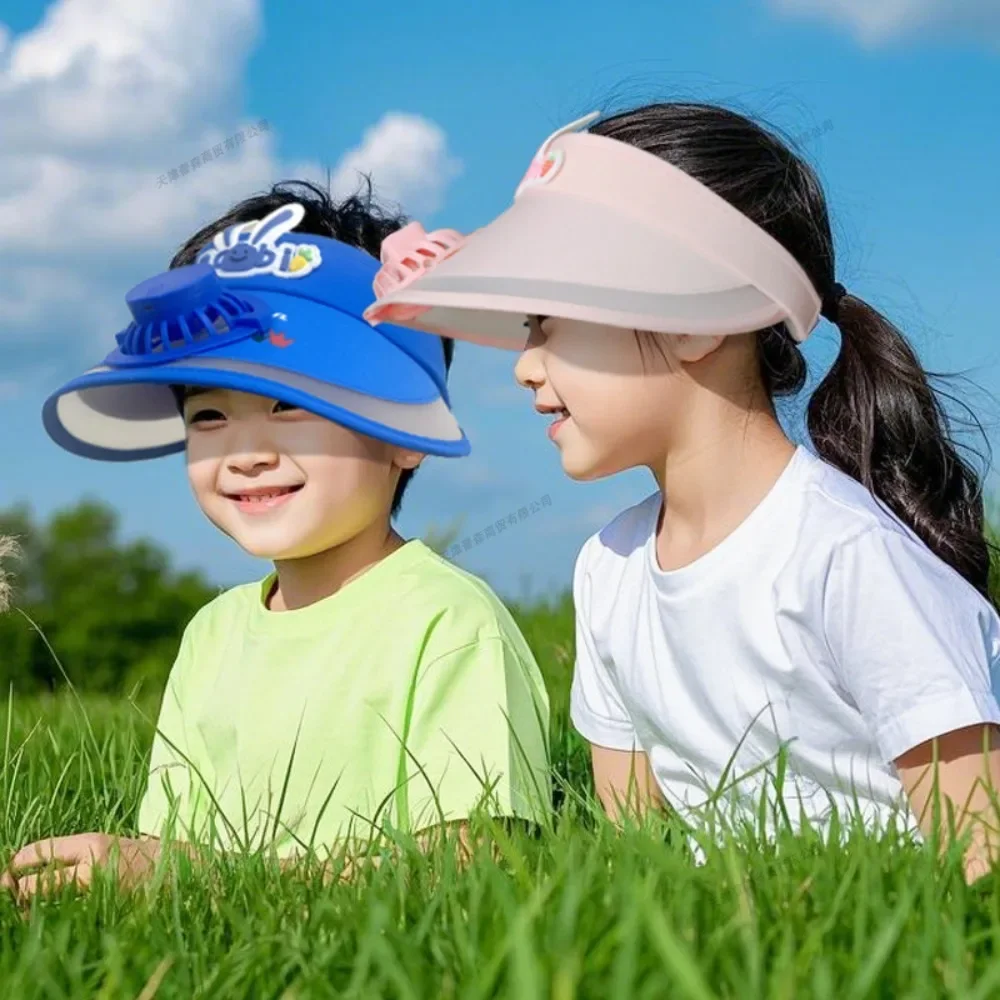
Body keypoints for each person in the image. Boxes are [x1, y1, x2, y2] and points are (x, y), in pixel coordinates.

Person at [364, 105, 1000, 882]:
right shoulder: (610, 566)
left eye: (549, 321)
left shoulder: (846, 557)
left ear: (701, 313)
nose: (524, 367)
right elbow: (636, 848)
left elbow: (982, 855)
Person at [3, 182, 550, 901]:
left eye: (290, 403)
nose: (246, 452)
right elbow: (179, 858)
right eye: (206, 416)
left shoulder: (447, 624)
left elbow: (476, 862)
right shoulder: (213, 634)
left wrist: (194, 877)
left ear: (406, 427)